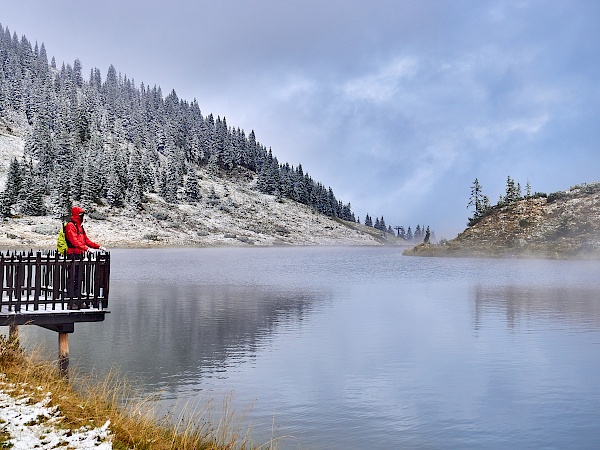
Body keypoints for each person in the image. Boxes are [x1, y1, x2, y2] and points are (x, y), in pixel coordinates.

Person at [64, 206, 106, 308]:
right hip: (72, 255)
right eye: (81, 215)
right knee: (72, 278)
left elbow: (86, 240)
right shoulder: (70, 226)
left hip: (80, 255)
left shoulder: (80, 227)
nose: (82, 217)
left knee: (79, 278)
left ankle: (78, 301)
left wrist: (98, 246)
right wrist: (86, 249)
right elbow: (74, 241)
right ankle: (71, 302)